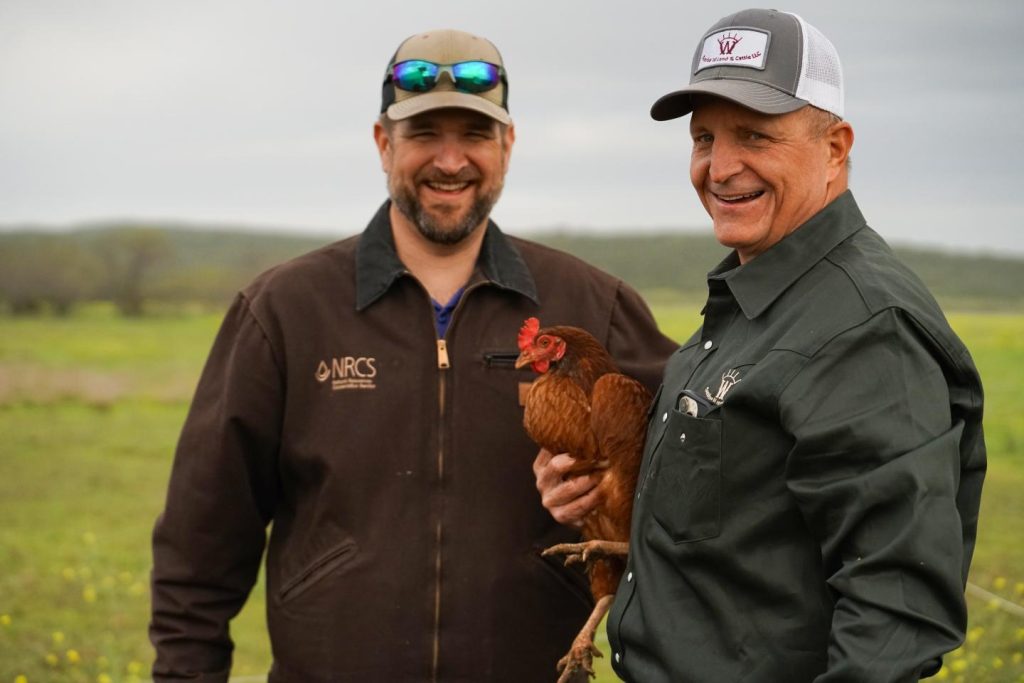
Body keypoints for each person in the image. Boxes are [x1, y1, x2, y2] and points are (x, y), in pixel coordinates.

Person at [148, 28, 676, 682]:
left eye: (475, 135)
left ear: (508, 146)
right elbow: (199, 544)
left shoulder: (595, 306)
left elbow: (703, 482)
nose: (451, 161)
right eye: (425, 134)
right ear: (382, 143)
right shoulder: (284, 310)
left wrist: (612, 487)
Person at [536, 9, 986, 682]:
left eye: (755, 134)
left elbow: (893, 621)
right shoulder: (753, 306)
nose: (720, 167)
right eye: (704, 138)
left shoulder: (862, 328)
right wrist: (601, 490)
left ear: (835, 148)